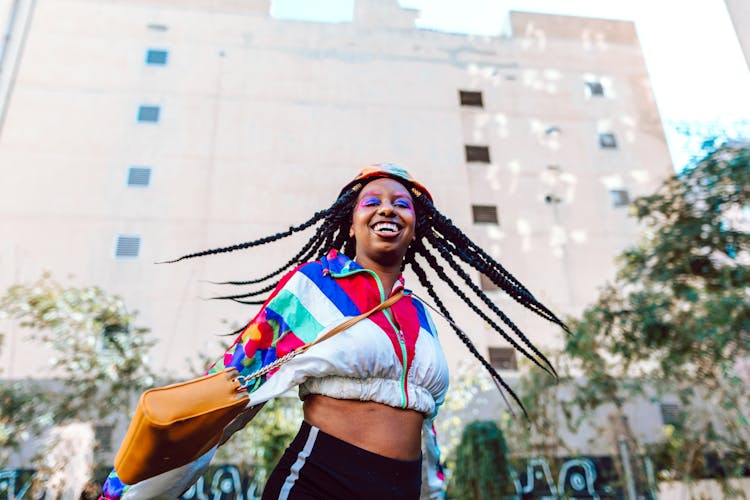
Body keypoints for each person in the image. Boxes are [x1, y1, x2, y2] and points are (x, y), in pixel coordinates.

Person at [100, 164, 566, 499]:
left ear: (417, 228)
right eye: (373, 201)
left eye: (401, 204)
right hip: (321, 479)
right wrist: (124, 491)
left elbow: (422, 420)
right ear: (351, 218)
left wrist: (431, 490)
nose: (388, 209)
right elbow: (235, 381)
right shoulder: (316, 286)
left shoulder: (419, 316)